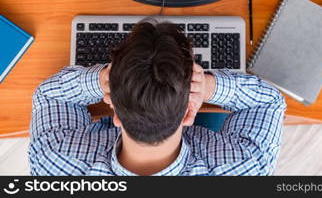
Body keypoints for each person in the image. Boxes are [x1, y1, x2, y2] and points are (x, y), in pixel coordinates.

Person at [29, 19, 286, 176]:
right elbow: (270, 102)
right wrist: (209, 87)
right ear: (188, 115)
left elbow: (50, 96)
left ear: (116, 116)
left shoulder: (54, 162)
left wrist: (98, 79)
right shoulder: (246, 167)